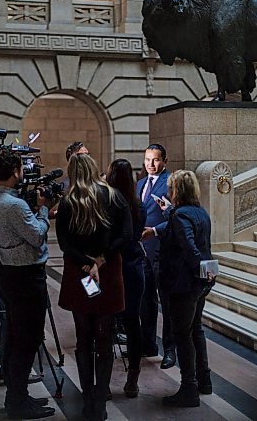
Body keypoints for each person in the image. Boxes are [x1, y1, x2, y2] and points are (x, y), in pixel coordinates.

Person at [56, 153, 132, 421]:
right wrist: (102, 259)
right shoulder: (113, 196)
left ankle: (88, 397)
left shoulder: (68, 201)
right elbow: (126, 234)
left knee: (83, 339)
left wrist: (87, 264)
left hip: (81, 274)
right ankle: (100, 401)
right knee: (105, 337)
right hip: (108, 272)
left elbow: (64, 241)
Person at [0, 149, 55, 420]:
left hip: (10, 274)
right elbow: (38, 236)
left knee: (17, 338)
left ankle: (17, 397)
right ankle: (17, 403)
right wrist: (43, 209)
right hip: (26, 277)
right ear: (15, 171)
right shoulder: (14, 205)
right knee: (27, 340)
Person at [143, 170, 214, 407]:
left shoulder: (180, 215)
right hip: (199, 284)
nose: (169, 192)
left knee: (182, 335)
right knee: (196, 330)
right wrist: (205, 277)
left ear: (176, 191)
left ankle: (189, 390)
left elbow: (189, 247)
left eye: (171, 188)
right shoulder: (200, 212)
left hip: (183, 284)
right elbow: (185, 231)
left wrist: (198, 269)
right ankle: (204, 381)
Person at [106, 159, 146, 398]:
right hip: (133, 267)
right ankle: (133, 378)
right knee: (133, 324)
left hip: (113, 266)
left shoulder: (108, 203)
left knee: (107, 323)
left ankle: (104, 380)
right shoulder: (138, 204)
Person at [136, 144, 176, 367]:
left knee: (167, 304)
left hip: (162, 250)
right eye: (148, 159)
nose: (151, 164)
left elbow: (175, 217)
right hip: (142, 251)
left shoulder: (171, 183)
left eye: (156, 160)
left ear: (165, 161)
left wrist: (155, 230)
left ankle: (170, 350)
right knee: (146, 300)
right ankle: (148, 343)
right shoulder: (141, 183)